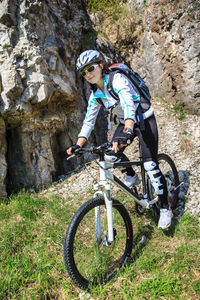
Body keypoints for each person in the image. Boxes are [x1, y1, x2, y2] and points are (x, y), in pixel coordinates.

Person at [66, 49, 173, 229]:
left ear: (101, 65)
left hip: (144, 119)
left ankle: (165, 208)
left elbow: (128, 103)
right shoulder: (95, 95)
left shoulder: (117, 79)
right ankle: (132, 176)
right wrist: (78, 144)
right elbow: (89, 121)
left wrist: (129, 127)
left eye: (91, 68)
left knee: (150, 165)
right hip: (125, 124)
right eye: (83, 72)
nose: (88, 74)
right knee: (110, 154)